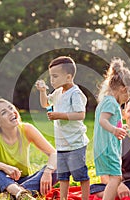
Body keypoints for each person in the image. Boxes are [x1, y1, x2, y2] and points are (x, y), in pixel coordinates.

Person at [0, 98, 58, 200]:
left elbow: (54, 154)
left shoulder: (27, 129)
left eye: (11, 108)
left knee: (62, 165)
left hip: (22, 182)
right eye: (4, 112)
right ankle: (16, 192)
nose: (11, 112)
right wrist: (4, 167)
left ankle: (14, 195)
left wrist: (48, 172)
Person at [36, 56, 90, 200]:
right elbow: (45, 103)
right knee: (63, 176)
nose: (52, 80)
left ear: (68, 77)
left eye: (55, 76)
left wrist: (60, 115)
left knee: (80, 175)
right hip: (62, 145)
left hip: (76, 143)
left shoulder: (75, 93)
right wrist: (42, 91)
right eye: (51, 77)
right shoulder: (58, 92)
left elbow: (80, 114)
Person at [93, 58, 130, 200]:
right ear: (123, 89)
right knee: (116, 178)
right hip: (107, 148)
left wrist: (119, 127)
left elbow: (108, 122)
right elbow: (103, 121)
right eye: (128, 96)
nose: (127, 100)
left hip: (104, 147)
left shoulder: (106, 101)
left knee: (115, 178)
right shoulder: (111, 102)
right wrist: (114, 130)